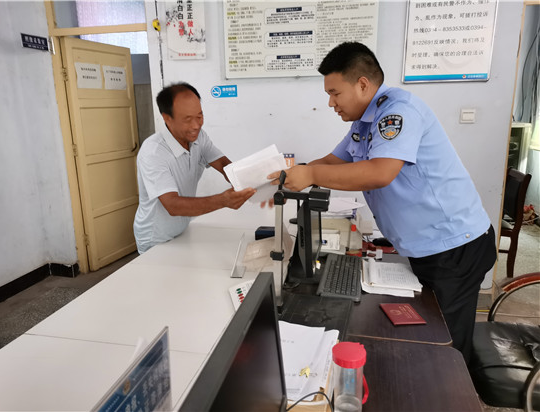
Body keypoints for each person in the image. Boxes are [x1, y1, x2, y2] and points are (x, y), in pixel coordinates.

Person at [268, 42, 496, 364]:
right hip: (429, 246)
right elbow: (333, 161)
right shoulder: (363, 122)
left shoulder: (397, 112)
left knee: (445, 346)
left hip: (454, 246)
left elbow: (380, 172)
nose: (331, 103)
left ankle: (457, 388)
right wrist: (292, 176)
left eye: (335, 93)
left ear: (362, 84)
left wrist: (311, 174)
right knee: (428, 335)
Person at [134, 82, 255, 254]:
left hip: (182, 230)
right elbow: (173, 205)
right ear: (167, 118)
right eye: (187, 119)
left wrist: (256, 182)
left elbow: (224, 165)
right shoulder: (153, 152)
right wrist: (223, 200)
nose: (196, 125)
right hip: (156, 238)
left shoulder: (199, 137)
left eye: (199, 116)